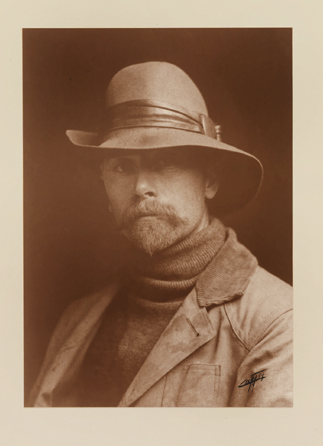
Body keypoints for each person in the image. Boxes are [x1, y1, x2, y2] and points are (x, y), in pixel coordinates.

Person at [28, 61, 292, 407]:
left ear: (209, 180)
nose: (141, 188)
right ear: (104, 187)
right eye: (123, 167)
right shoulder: (77, 319)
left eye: (164, 163)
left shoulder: (276, 322)